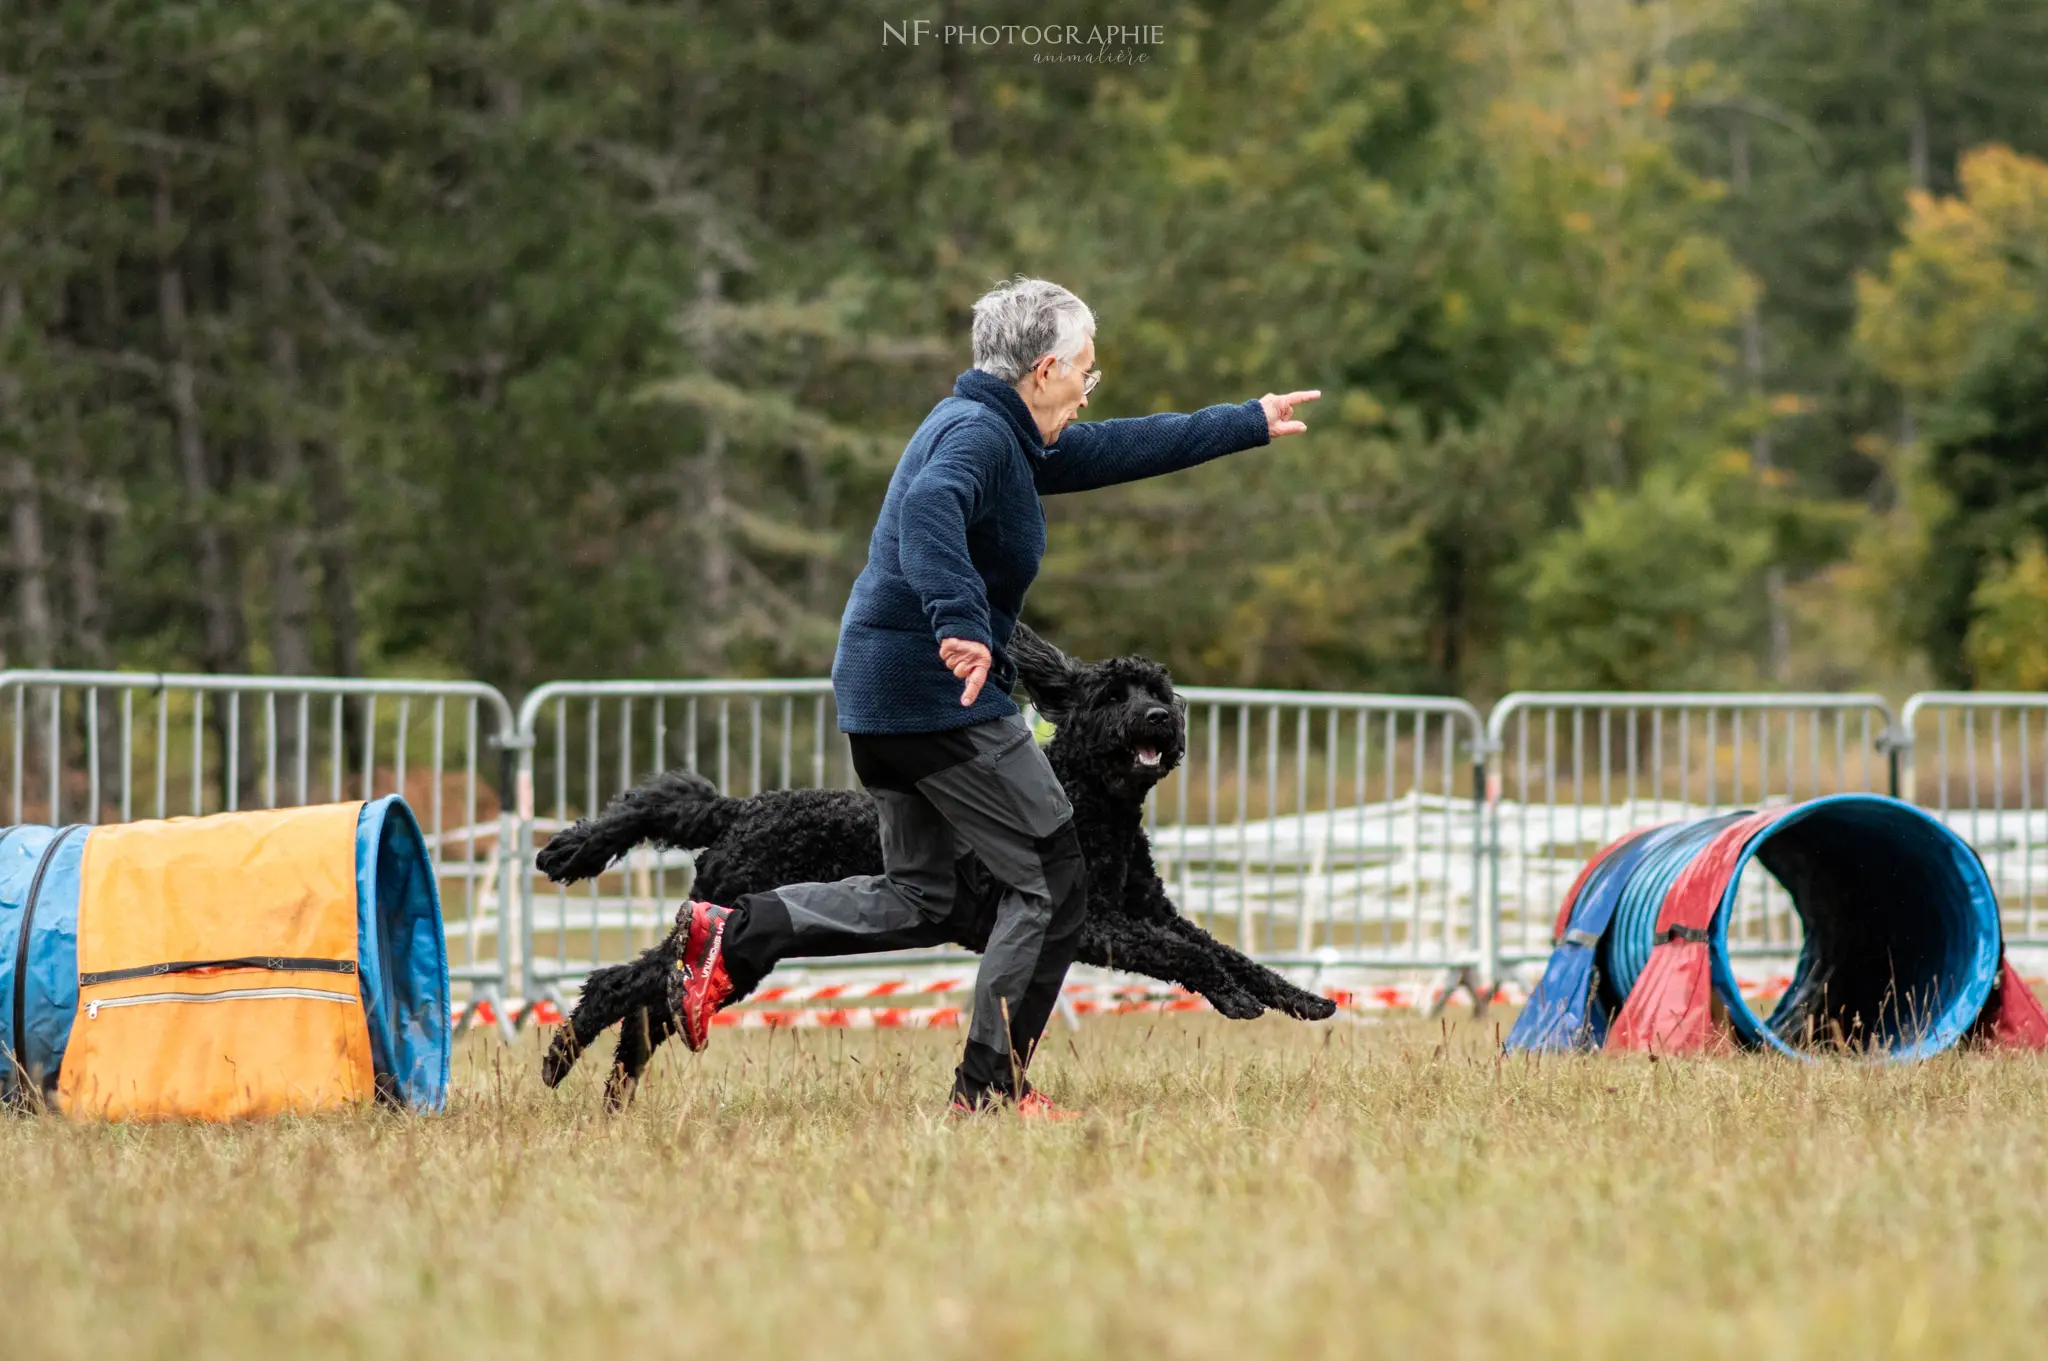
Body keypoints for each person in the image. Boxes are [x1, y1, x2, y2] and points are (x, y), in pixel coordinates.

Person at [670, 277, 1319, 1116]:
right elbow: (931, 511)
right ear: (1046, 368)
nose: (1091, 387)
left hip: (881, 693)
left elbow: (1125, 446)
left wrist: (1245, 421)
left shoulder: (1003, 432)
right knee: (1055, 879)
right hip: (943, 695)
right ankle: (989, 1086)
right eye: (1087, 369)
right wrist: (962, 624)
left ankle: (735, 928)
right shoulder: (979, 438)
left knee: (921, 893)